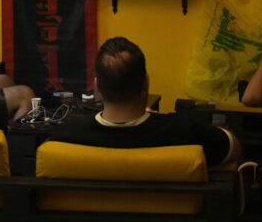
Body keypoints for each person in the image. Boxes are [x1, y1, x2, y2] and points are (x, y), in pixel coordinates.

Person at [51, 36, 240, 167]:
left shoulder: (66, 136)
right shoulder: (184, 132)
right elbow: (233, 147)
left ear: (97, 88)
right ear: (146, 83)